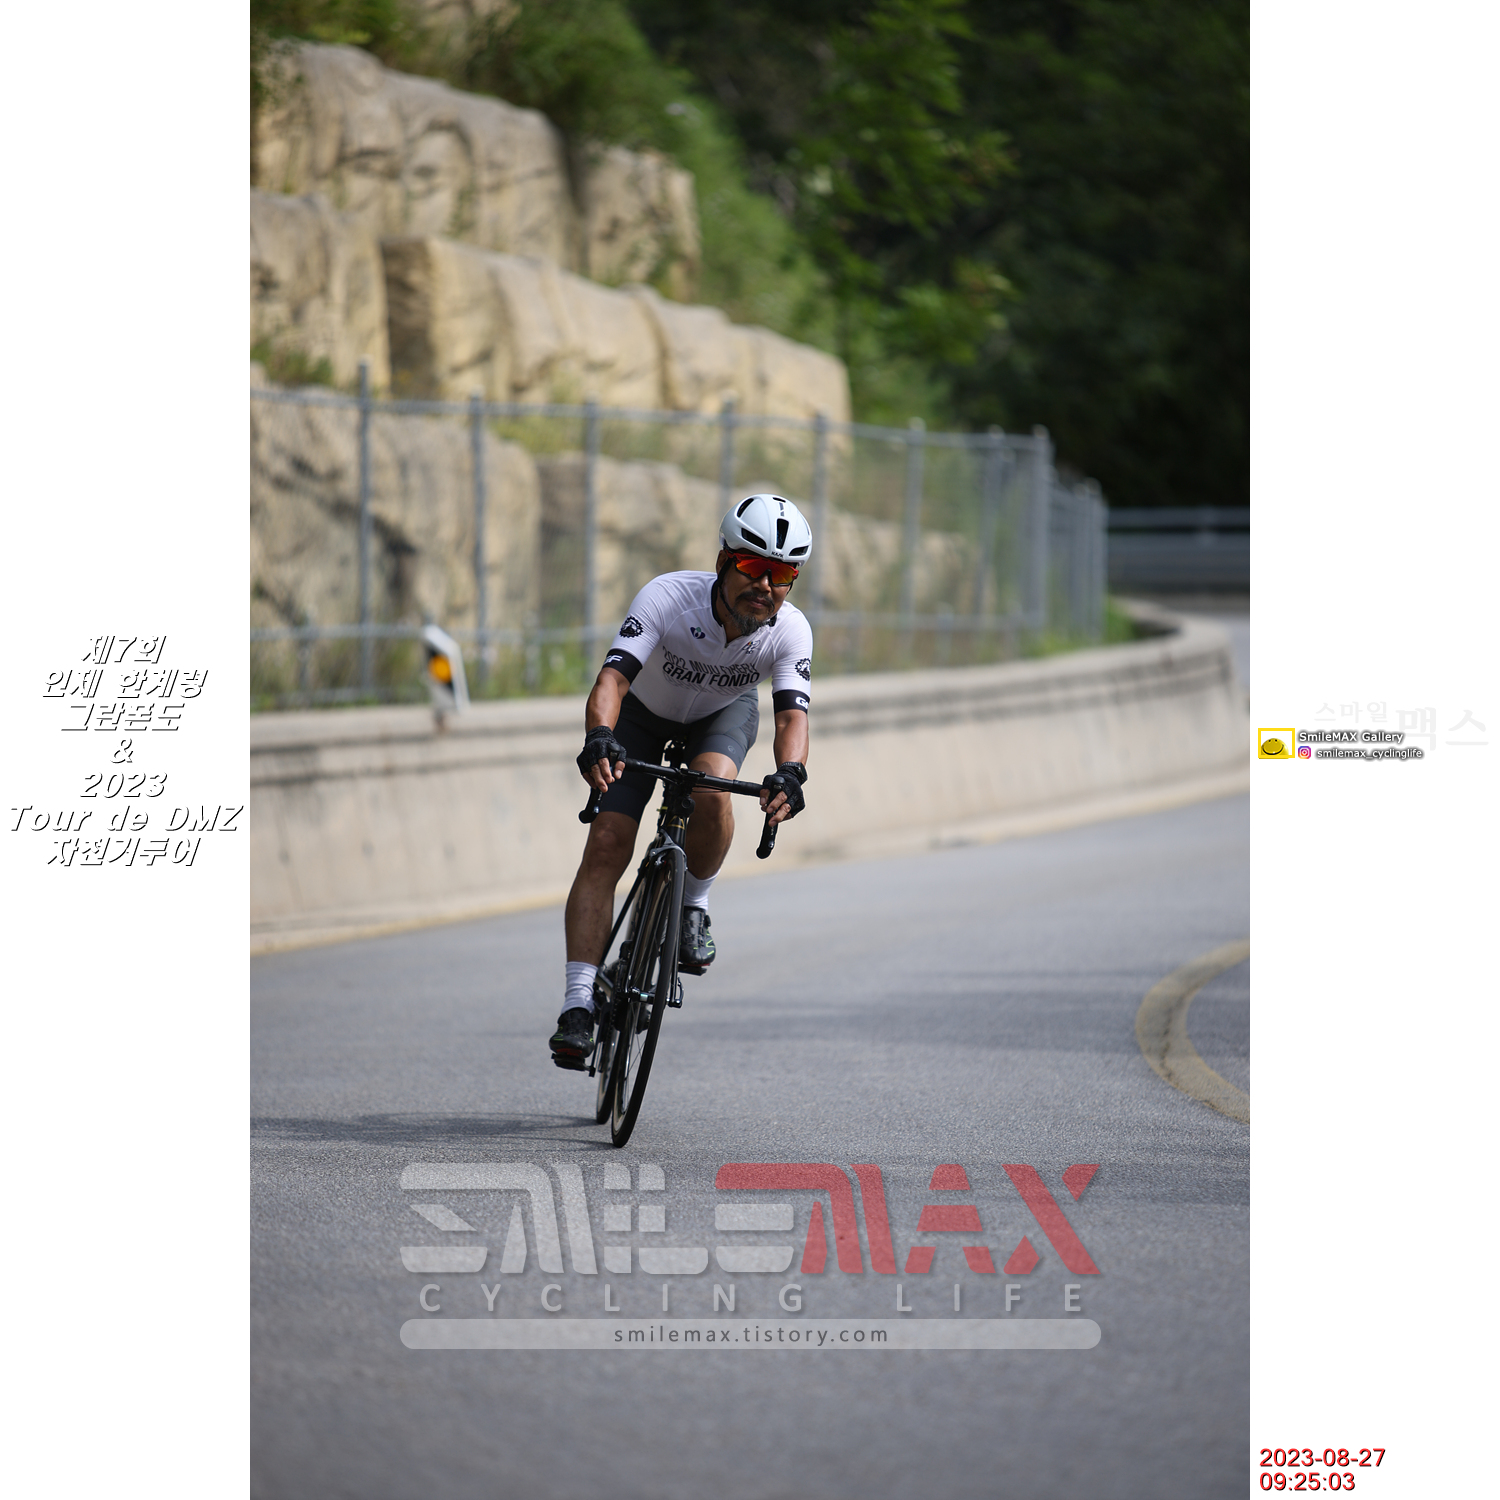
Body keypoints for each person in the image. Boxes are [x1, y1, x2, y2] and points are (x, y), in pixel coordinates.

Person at [549, 495, 814, 1068]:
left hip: (720, 716)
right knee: (607, 842)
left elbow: (792, 717)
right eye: (753, 567)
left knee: (713, 786)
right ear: (723, 561)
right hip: (641, 717)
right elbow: (613, 680)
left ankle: (693, 905)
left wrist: (791, 773)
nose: (765, 585)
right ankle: (577, 1004)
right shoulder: (669, 596)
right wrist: (600, 736)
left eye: (782, 575)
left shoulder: (790, 630)